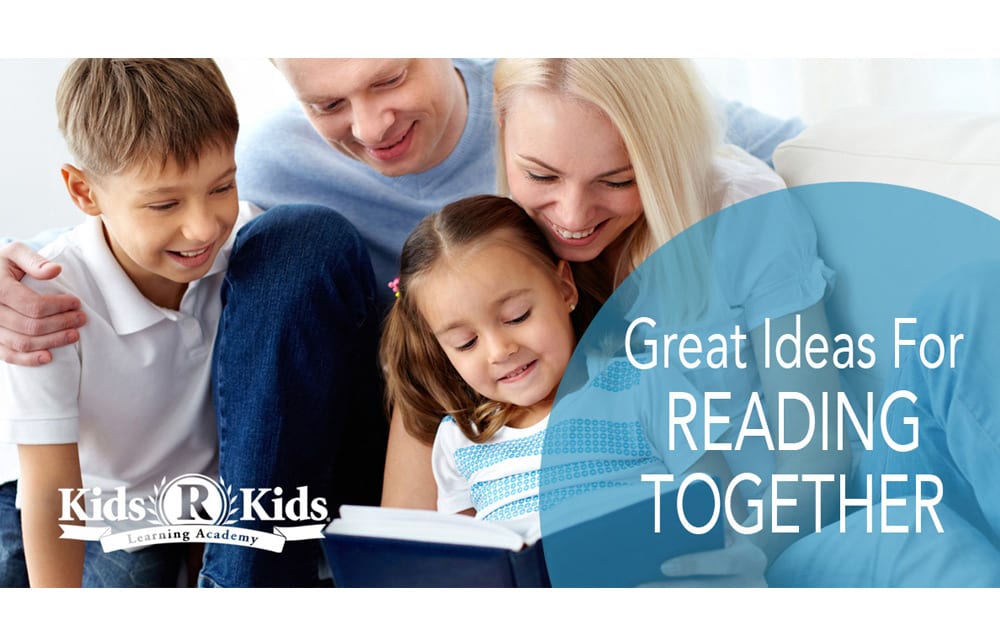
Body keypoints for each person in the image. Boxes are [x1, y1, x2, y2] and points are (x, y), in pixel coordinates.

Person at [0, 58, 807, 587]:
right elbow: (121, 220)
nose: (371, 125)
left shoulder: (549, 98)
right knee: (314, 251)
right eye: (329, 103)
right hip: (330, 441)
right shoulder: (274, 160)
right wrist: (22, 271)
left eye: (388, 80)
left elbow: (760, 143)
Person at [381, 59, 854, 586]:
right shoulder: (494, 257)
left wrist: (745, 554)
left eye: (617, 180)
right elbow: (407, 531)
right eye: (541, 175)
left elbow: (819, 454)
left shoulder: (744, 215)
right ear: (502, 134)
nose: (573, 216)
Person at [0, 58, 259, 587]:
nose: (203, 227)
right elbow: (50, 487)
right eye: (164, 204)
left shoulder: (249, 240)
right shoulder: (48, 300)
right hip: (84, 500)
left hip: (181, 505)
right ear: (83, 192)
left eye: (221, 187)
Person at [379, 195, 583, 538]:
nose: (499, 351)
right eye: (466, 343)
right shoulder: (459, 440)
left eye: (517, 316)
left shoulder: (638, 386)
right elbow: (460, 556)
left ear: (564, 289)